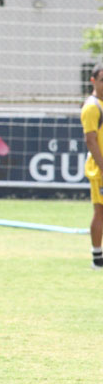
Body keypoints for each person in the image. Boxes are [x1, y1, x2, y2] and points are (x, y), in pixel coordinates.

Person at [81, 63, 103, 269]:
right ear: (93, 81)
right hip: (100, 170)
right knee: (100, 211)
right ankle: (97, 258)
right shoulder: (92, 107)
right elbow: (91, 140)